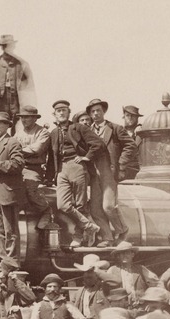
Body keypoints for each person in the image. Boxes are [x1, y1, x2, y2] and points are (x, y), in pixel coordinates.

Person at [45, 100, 103, 248]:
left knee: (80, 204)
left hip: (77, 166)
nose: (62, 113)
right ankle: (88, 226)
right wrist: (49, 177)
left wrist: (86, 157)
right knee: (62, 205)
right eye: (59, 111)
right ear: (55, 114)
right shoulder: (53, 133)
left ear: (69, 113)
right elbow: (52, 157)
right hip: (61, 170)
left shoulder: (79, 128)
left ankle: (78, 237)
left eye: (64, 110)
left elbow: (97, 143)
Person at [87, 98, 133, 243]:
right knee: (95, 209)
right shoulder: (87, 131)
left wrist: (121, 164)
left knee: (108, 206)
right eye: (93, 111)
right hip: (94, 173)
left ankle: (122, 230)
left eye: (98, 110)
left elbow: (130, 145)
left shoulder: (115, 128)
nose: (96, 114)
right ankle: (107, 237)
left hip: (109, 171)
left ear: (104, 111)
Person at [0, 112, 26, 269]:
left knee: (10, 230)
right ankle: (5, 261)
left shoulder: (12, 142)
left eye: (0, 123)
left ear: (8, 125)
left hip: (8, 192)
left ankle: (13, 262)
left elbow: (18, 164)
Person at [0, 35, 36, 124]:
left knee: (19, 127)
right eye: (4, 46)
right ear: (2, 47)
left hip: (17, 103)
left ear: (13, 46)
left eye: (9, 45)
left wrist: (29, 110)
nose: (7, 48)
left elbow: (30, 88)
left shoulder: (22, 64)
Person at [14, 105, 52, 216]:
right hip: (18, 168)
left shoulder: (42, 132)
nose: (23, 120)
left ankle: (46, 211)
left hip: (33, 168)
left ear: (35, 118)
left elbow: (37, 149)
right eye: (22, 117)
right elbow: (11, 148)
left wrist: (18, 151)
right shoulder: (19, 133)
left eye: (27, 117)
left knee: (31, 190)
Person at [106, 241, 160, 308]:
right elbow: (105, 288)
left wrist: (147, 297)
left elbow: (156, 283)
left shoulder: (141, 269)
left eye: (127, 253)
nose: (124, 255)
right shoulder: (112, 270)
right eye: (121, 253)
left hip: (139, 306)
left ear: (132, 254)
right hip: (120, 306)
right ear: (118, 256)